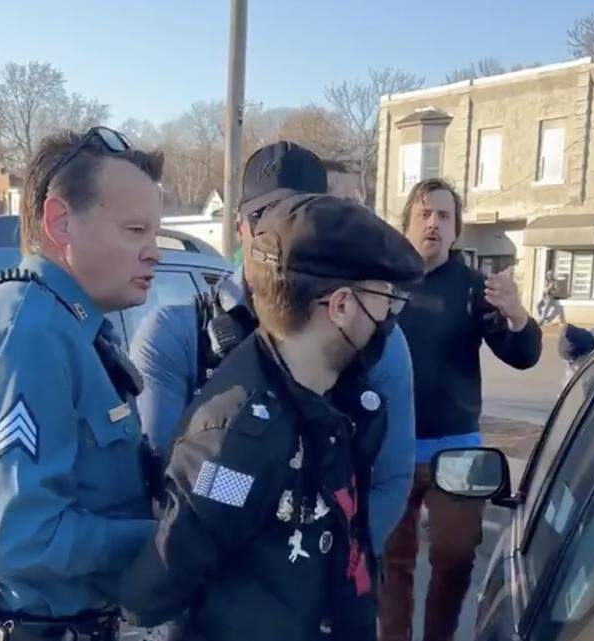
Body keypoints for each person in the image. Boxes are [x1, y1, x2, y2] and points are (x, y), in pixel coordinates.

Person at [119, 194, 424, 641]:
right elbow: (159, 585)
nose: (389, 319)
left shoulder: (324, 400)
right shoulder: (238, 439)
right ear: (340, 306)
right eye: (385, 301)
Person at [0, 127, 163, 641]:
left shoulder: (62, 329)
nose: (154, 252)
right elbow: (25, 538)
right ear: (59, 221)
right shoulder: (27, 336)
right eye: (135, 230)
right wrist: (167, 540)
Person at [128, 141, 417, 559]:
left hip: (331, 590)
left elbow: (391, 479)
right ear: (239, 225)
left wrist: (319, 563)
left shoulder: (374, 337)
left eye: (295, 216)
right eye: (261, 217)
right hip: (214, 593)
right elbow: (171, 478)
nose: (274, 235)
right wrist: (267, 556)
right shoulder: (177, 333)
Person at [380, 178, 543, 641]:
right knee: (393, 559)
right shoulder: (384, 281)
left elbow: (523, 354)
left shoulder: (475, 289)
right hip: (392, 446)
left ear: (456, 230)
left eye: (444, 216)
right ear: (407, 223)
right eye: (425, 214)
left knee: (455, 554)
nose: (434, 223)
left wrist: (518, 316)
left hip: (457, 452)